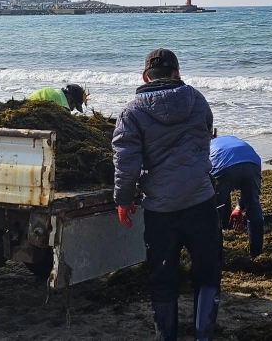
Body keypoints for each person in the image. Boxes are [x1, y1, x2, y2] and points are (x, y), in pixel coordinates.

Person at [111, 48, 221, 341]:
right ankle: (203, 336)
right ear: (177, 72)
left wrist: (123, 200)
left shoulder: (131, 112)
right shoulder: (197, 99)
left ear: (145, 76)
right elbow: (207, 136)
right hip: (201, 200)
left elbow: (126, 163)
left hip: (160, 209)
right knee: (208, 273)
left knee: (162, 277)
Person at [209, 134, 264, 258]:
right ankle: (256, 253)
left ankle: (217, 256)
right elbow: (246, 189)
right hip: (252, 162)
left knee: (214, 210)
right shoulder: (231, 138)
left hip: (222, 164)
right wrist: (239, 208)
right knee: (253, 204)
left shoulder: (208, 145)